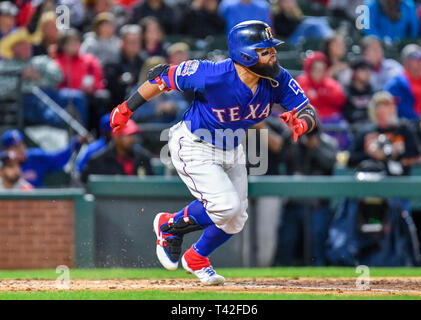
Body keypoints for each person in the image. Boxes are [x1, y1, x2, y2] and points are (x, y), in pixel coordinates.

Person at [110, 20, 318, 285]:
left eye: (272, 49)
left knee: (236, 219)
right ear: (245, 54)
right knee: (226, 207)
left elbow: (307, 109)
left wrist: (302, 123)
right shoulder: (211, 74)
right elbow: (161, 78)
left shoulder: (277, 79)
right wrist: (126, 109)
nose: (273, 55)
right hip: (195, 144)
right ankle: (169, 226)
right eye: (265, 51)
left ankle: (197, 257)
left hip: (232, 148)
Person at [274, 126, 338, 266]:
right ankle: (281, 274)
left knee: (316, 242)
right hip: (294, 202)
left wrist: (314, 147)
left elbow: (329, 163)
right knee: (286, 242)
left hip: (317, 203)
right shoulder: (293, 141)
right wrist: (288, 135)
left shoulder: (327, 142)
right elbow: (280, 157)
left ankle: (319, 273)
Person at [348, 91, 421, 177]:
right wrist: (370, 153)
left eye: (393, 104)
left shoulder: (404, 130)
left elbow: (419, 159)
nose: (392, 107)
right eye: (387, 104)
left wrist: (397, 154)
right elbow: (351, 160)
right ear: (376, 110)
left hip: (400, 181)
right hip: (372, 181)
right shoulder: (366, 132)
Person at [0, 28, 64, 126]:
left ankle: (80, 135)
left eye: (28, 43)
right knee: (46, 111)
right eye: (22, 44)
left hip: (50, 95)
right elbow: (2, 90)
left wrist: (39, 77)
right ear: (13, 49)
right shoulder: (5, 66)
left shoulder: (41, 61)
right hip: (24, 101)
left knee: (75, 98)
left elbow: (58, 77)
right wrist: (21, 77)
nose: (27, 46)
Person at [1, 129, 85, 187]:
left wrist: (75, 142)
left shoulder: (35, 157)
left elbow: (58, 159)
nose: (21, 148)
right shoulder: (2, 163)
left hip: (35, 203)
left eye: (21, 144)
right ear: (6, 150)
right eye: (15, 146)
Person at [80, 119, 154, 183]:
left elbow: (152, 184)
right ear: (116, 137)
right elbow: (85, 183)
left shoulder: (144, 158)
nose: (132, 139)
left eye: (134, 135)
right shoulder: (98, 160)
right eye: (128, 135)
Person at [103, 24, 147, 108]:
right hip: (118, 104)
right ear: (123, 42)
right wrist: (121, 81)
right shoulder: (113, 61)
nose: (134, 45)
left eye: (137, 42)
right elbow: (110, 86)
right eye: (131, 42)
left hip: (142, 103)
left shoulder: (144, 59)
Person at [385, 44, 421, 121]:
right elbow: (399, 110)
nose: (420, 61)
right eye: (415, 57)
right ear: (406, 61)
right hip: (410, 126)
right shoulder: (396, 84)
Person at [342, 58, 374, 127]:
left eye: (368, 69)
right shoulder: (346, 91)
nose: (367, 72)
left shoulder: (372, 90)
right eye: (363, 69)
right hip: (352, 129)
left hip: (370, 128)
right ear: (354, 72)